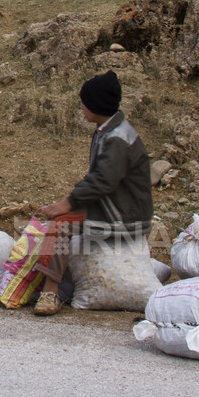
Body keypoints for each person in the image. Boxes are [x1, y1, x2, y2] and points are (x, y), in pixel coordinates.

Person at [33, 70, 152, 316]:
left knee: (59, 225)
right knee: (60, 219)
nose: (81, 107)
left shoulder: (117, 138)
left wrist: (68, 203)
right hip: (116, 206)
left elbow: (102, 182)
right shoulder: (108, 129)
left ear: (97, 105)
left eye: (85, 102)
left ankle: (50, 293)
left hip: (122, 215)